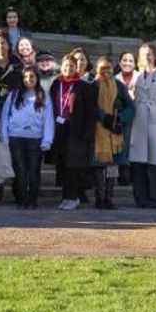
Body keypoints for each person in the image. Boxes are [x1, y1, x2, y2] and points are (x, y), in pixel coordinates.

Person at [128, 43, 156, 209]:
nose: (147, 57)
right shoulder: (136, 76)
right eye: (143, 54)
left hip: (155, 120)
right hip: (138, 120)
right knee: (138, 161)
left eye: (149, 54)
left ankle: (154, 199)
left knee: (154, 161)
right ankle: (140, 198)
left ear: (155, 56)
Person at [1, 67, 54, 210]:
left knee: (34, 170)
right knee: (20, 169)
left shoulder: (43, 96)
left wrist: (47, 140)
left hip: (35, 138)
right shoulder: (14, 95)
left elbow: (49, 120)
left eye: (32, 77)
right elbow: (5, 116)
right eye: (26, 77)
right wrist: (4, 136)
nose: (29, 80)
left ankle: (33, 199)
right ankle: (22, 198)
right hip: (16, 137)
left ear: (37, 78)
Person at [52, 52, 98, 211]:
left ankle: (73, 197)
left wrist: (87, 133)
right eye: (65, 66)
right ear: (61, 67)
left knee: (73, 166)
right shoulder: (55, 84)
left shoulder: (83, 86)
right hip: (59, 130)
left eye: (72, 66)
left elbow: (90, 111)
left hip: (77, 131)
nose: (68, 69)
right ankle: (66, 196)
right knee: (63, 166)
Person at [89, 55, 133, 211]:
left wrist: (119, 118)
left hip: (115, 132)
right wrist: (103, 117)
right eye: (102, 69)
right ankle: (99, 198)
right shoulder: (93, 86)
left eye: (108, 68)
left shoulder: (120, 86)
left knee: (112, 166)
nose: (106, 71)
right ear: (97, 70)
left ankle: (109, 198)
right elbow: (90, 108)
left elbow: (131, 107)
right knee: (99, 167)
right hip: (98, 131)